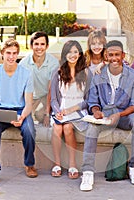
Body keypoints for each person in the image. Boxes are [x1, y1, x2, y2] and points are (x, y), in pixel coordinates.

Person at [80, 40, 134, 191]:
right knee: (91, 130)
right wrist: (96, 111)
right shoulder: (98, 74)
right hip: (104, 115)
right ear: (106, 56)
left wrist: (118, 114)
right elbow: (92, 101)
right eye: (111, 55)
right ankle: (88, 172)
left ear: (123, 55)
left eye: (117, 54)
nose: (114, 58)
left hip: (123, 115)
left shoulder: (133, 75)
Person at [0, 39, 37, 186]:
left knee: (29, 130)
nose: (11, 57)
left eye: (14, 53)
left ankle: (29, 164)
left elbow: (28, 104)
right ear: (2, 53)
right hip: (3, 111)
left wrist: (22, 117)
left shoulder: (26, 74)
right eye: (8, 53)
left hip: (21, 110)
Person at [50, 40, 92, 179]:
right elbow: (54, 99)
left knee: (68, 128)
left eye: (75, 52)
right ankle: (56, 164)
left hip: (78, 111)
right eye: (69, 52)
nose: (72, 55)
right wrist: (57, 111)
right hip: (61, 111)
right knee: (57, 128)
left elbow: (89, 100)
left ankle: (72, 165)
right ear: (64, 54)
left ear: (80, 54)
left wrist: (71, 109)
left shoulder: (86, 72)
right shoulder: (58, 72)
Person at [19, 31, 59, 126]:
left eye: (42, 44)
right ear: (31, 46)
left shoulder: (53, 63)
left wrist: (46, 113)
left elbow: (51, 90)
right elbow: (21, 88)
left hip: (47, 96)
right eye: (36, 44)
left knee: (40, 116)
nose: (39, 47)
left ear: (47, 46)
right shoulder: (23, 64)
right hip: (30, 97)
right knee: (25, 120)